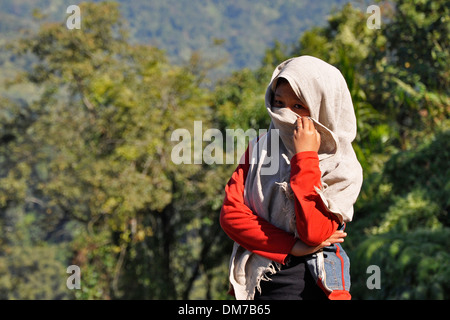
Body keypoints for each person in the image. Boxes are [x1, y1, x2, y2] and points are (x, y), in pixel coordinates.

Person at [220, 56, 363, 300]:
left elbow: (314, 233)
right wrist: (291, 246)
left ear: (323, 108)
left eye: (298, 106)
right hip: (259, 283)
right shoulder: (260, 150)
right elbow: (231, 215)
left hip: (312, 284)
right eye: (278, 103)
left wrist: (305, 157)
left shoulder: (341, 167)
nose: (285, 114)